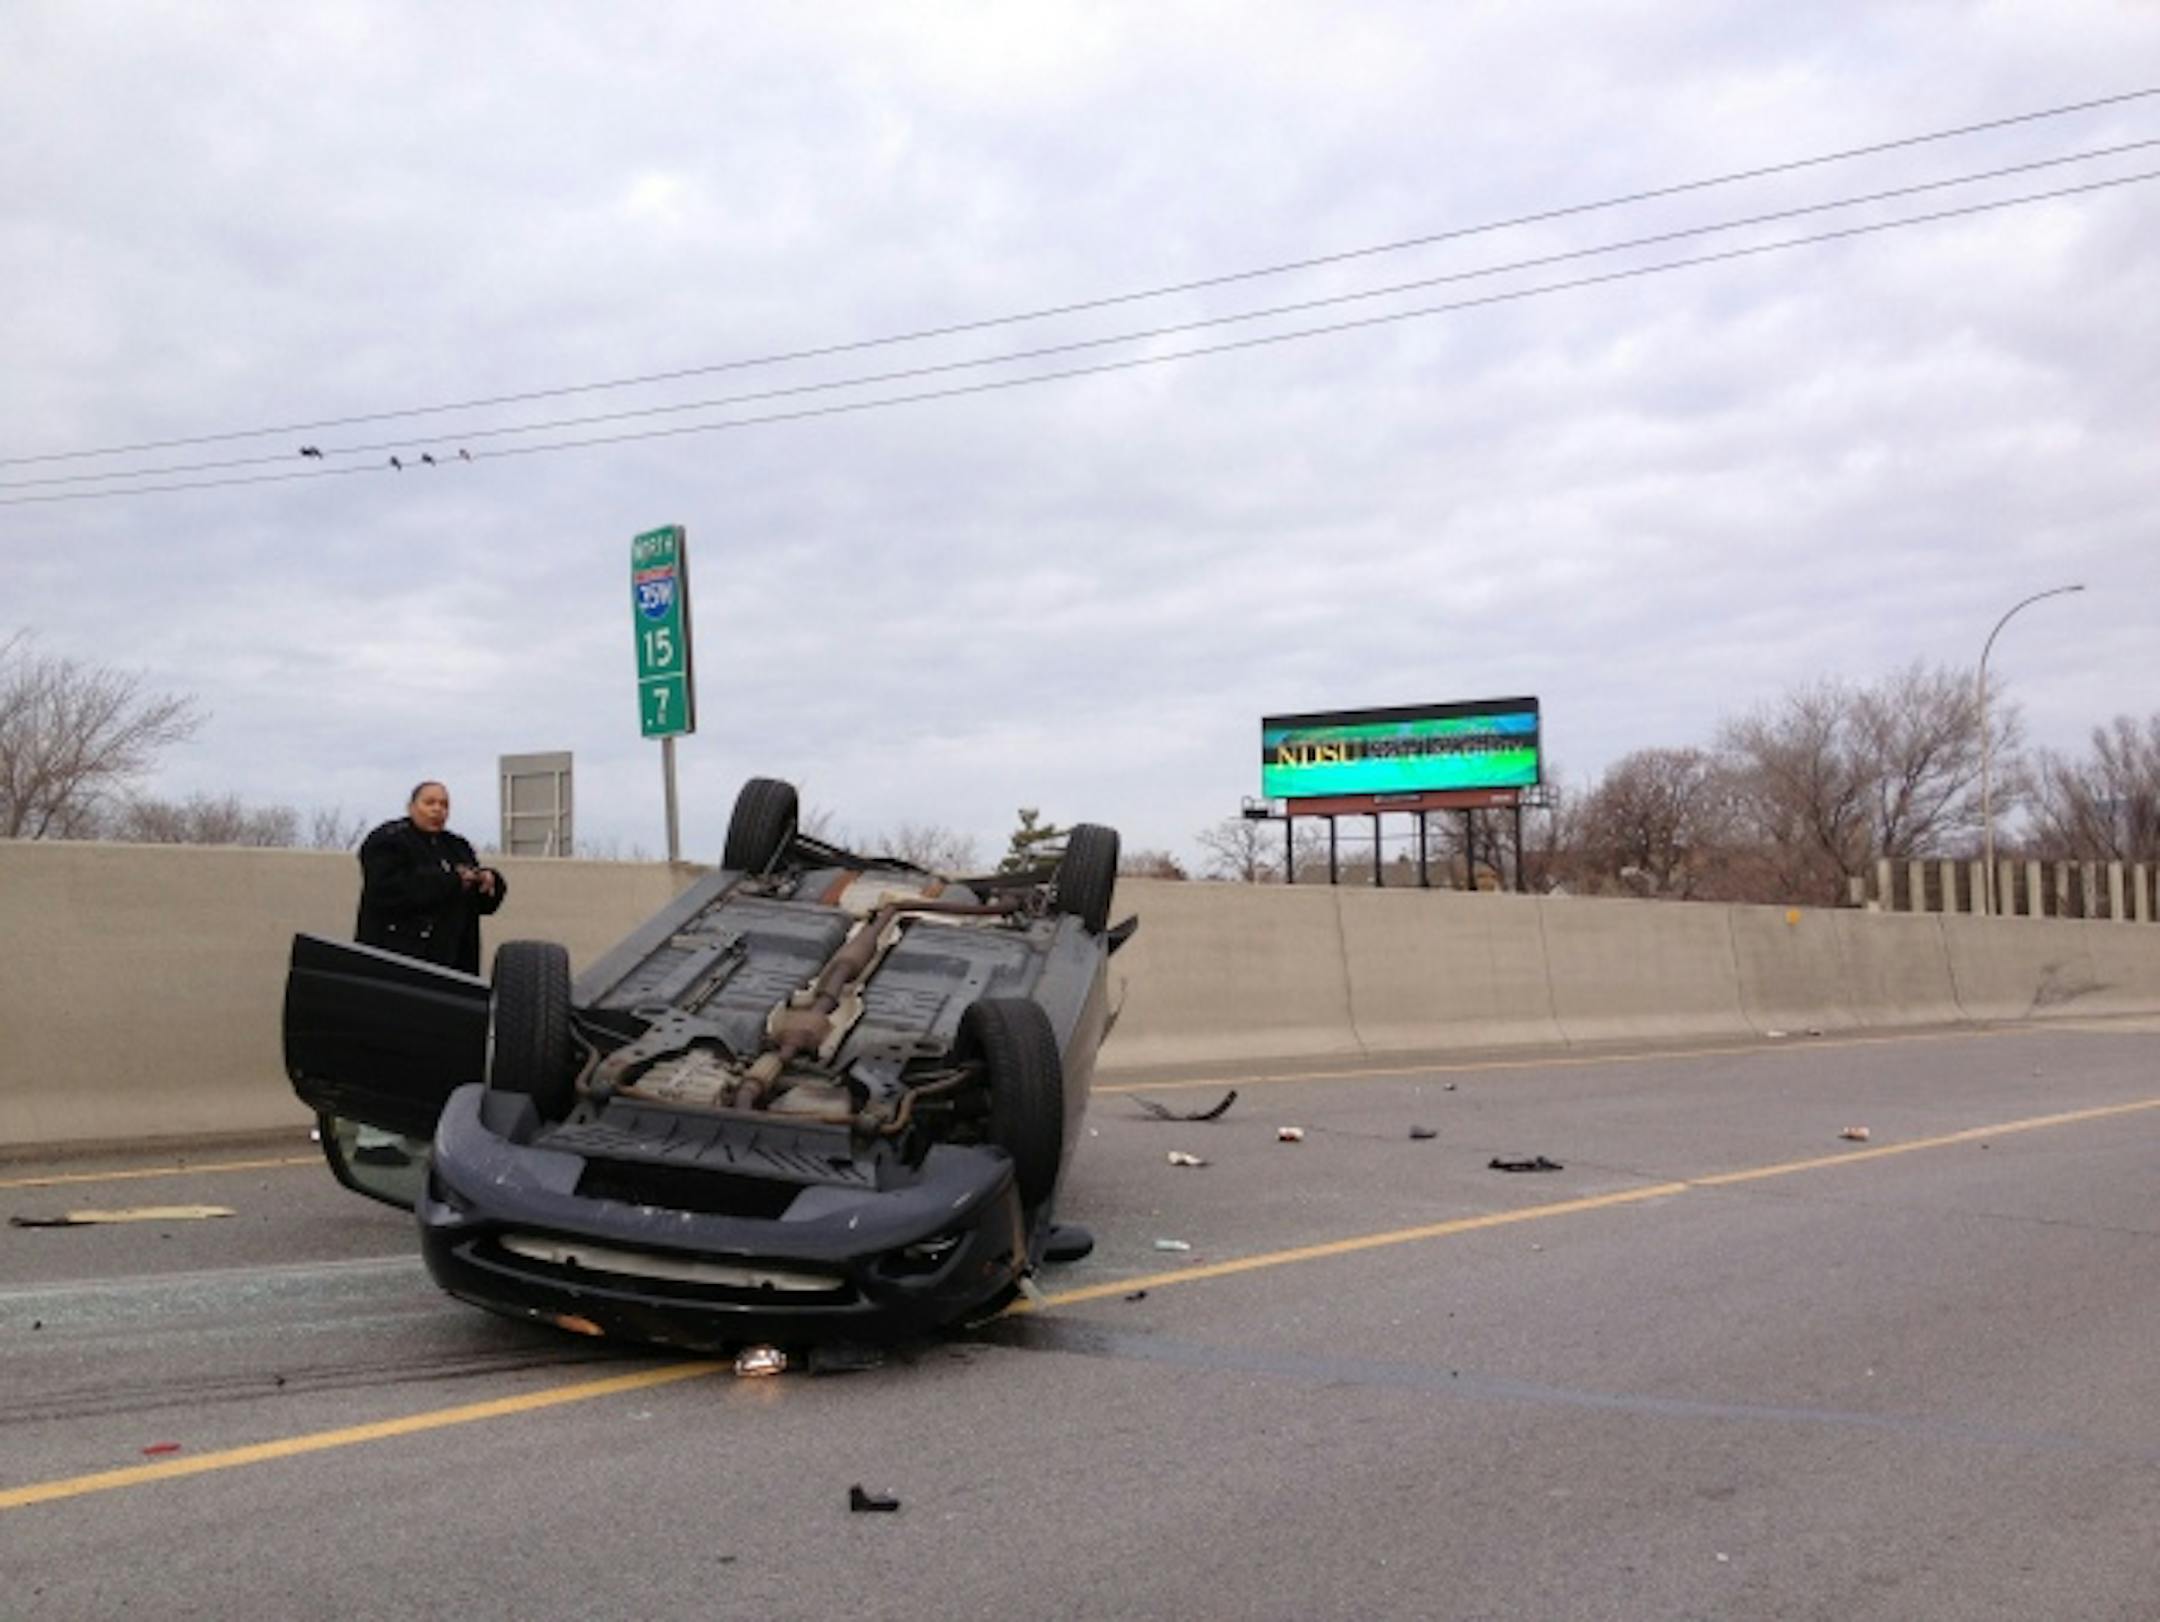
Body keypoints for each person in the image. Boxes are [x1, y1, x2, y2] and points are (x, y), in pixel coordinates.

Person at [355, 780, 507, 974]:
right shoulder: (388, 840)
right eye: (430, 803)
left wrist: (488, 882)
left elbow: (481, 905)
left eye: (444, 804)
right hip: (399, 964)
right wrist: (452, 881)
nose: (438, 809)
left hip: (456, 964)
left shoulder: (457, 846)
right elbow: (388, 890)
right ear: (411, 807)